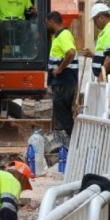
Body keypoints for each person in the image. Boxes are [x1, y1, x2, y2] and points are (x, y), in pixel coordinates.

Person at [47, 11, 78, 141]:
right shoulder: (59, 36)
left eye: (47, 23)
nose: (46, 26)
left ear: (52, 22)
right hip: (62, 83)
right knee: (64, 116)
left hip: (63, 83)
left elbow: (70, 52)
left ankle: (70, 145)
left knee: (64, 118)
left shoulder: (63, 35)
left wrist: (59, 69)